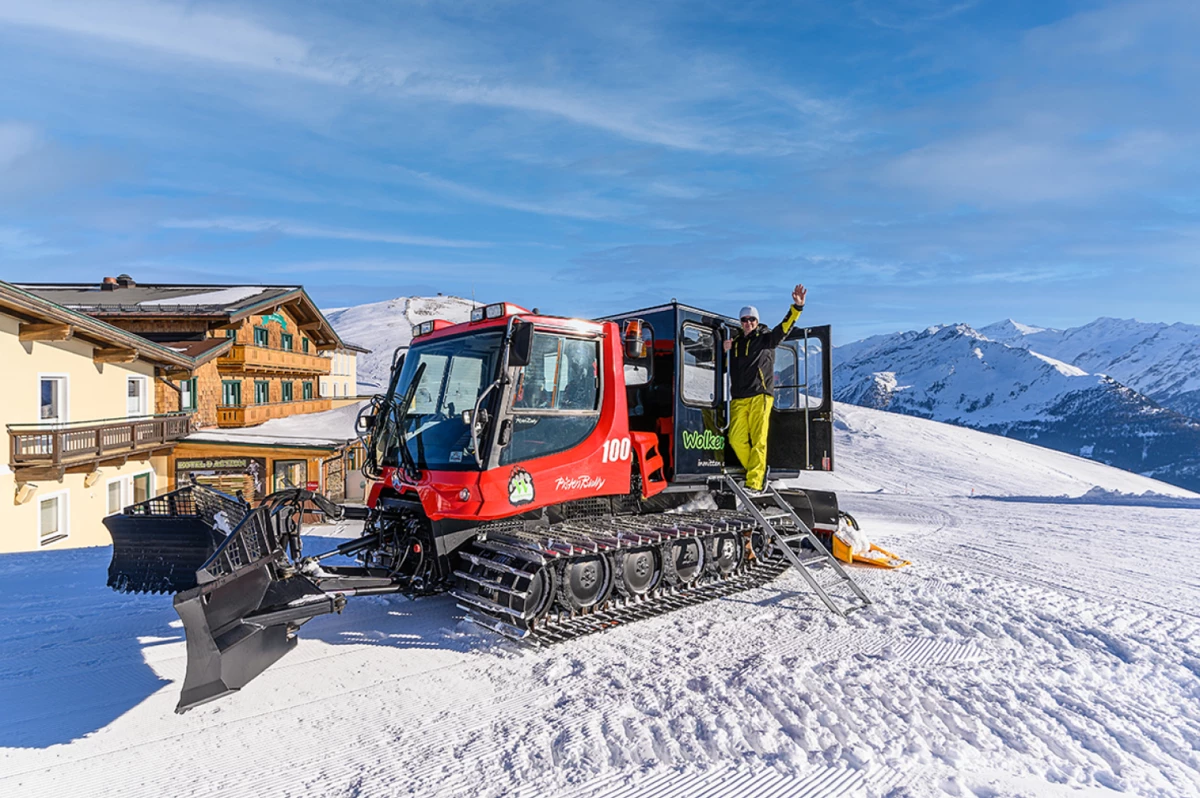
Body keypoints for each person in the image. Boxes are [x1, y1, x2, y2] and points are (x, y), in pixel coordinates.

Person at [723, 284, 806, 492]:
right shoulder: (736, 343)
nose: (748, 323)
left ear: (757, 321)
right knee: (735, 438)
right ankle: (756, 471)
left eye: (751, 319)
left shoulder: (766, 338)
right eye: (744, 319)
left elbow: (784, 328)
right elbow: (721, 364)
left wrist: (797, 307)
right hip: (739, 397)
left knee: (759, 439)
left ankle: (755, 482)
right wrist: (724, 350)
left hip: (761, 395)